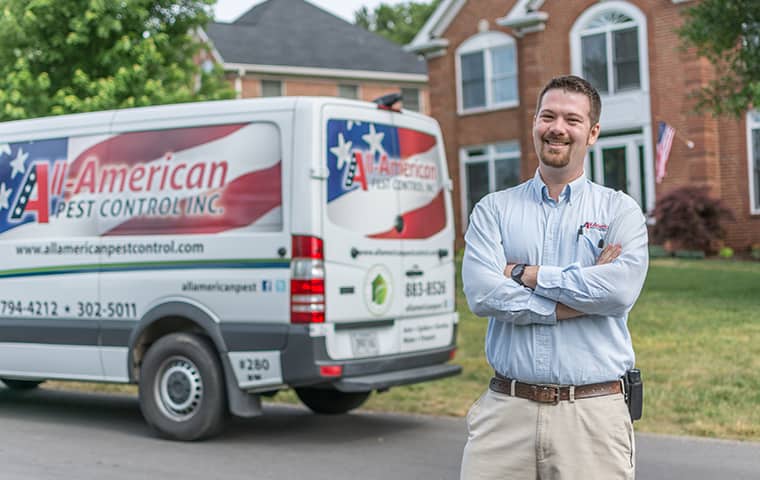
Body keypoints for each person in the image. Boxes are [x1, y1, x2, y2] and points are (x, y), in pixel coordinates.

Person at [460, 75, 648, 480]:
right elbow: (482, 294)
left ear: (592, 132)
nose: (557, 128)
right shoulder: (493, 210)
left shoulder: (620, 211)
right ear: (534, 124)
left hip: (592, 416)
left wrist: (523, 274)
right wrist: (571, 303)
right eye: (548, 116)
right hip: (506, 413)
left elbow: (617, 291)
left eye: (572, 119)